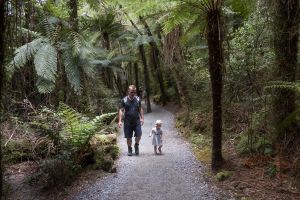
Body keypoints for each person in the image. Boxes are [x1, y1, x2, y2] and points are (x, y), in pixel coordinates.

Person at [118, 85, 144, 156]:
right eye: (132, 92)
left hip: (137, 121)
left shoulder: (138, 99)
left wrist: (142, 118)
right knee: (128, 137)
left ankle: (136, 145)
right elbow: (121, 110)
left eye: (134, 92)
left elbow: (140, 109)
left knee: (139, 134)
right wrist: (120, 121)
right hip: (127, 122)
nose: (133, 93)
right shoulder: (124, 100)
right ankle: (129, 148)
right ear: (128, 91)